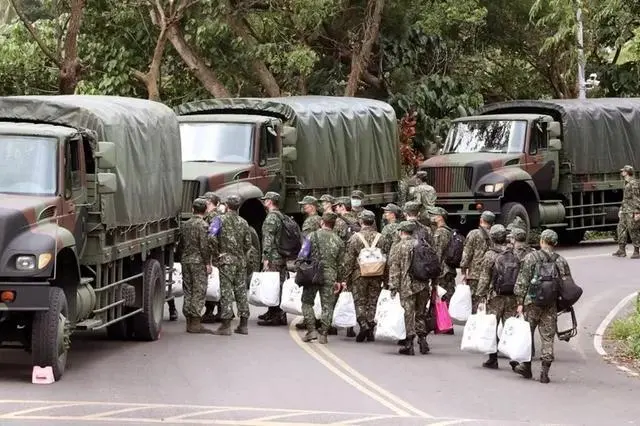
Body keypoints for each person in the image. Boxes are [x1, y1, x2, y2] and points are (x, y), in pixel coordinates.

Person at [514, 229, 572, 383]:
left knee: (527, 335)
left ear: (541, 241)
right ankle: (545, 372)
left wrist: (519, 302)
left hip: (531, 302)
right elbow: (567, 285)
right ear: (555, 243)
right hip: (550, 304)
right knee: (547, 337)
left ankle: (526, 366)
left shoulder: (531, 257)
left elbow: (522, 281)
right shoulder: (561, 261)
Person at [207, 196, 252, 336]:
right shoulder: (243, 222)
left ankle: (226, 325)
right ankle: (243, 324)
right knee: (241, 291)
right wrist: (240, 253)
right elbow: (248, 243)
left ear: (226, 205)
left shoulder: (219, 219)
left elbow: (211, 237)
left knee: (226, 291)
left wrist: (216, 253)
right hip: (240, 261)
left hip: (226, 260)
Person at [298, 211, 345, 344]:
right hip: (330, 275)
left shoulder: (312, 236)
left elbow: (303, 254)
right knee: (327, 306)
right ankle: (323, 334)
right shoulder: (339, 241)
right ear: (334, 225)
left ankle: (311, 330)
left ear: (322, 222)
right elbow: (341, 264)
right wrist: (339, 281)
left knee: (307, 303)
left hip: (312, 274)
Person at [476, 224, 518, 369]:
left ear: (492, 237)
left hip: (495, 296)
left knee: (492, 326)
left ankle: (492, 359)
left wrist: (480, 294)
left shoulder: (490, 255)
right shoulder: (513, 253)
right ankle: (514, 359)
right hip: (512, 295)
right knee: (510, 327)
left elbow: (484, 277)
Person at [388, 221, 431, 355]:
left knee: (408, 313)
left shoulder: (399, 247)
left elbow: (395, 268)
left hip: (407, 286)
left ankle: (409, 343)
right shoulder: (424, 244)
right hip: (423, 284)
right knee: (420, 313)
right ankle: (423, 339)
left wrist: (393, 286)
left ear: (401, 232)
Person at [343, 210, 383, 342]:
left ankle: (363, 324)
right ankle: (370, 327)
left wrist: (346, 279)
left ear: (361, 221)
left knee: (359, 301)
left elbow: (349, 260)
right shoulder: (381, 238)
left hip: (359, 274)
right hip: (377, 273)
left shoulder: (355, 238)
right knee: (373, 301)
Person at [180, 199, 214, 334]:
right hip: (198, 262)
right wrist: (208, 263)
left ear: (193, 209)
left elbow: (181, 244)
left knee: (188, 290)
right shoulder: (204, 226)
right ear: (205, 210)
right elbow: (204, 247)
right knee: (199, 290)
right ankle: (195, 322)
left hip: (186, 260)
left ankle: (188, 320)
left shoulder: (185, 225)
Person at [257, 191, 289, 326]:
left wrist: (265, 258)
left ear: (270, 201)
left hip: (274, 257)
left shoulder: (271, 218)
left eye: (266, 200)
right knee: (279, 284)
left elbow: (268, 240)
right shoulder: (282, 216)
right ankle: (273, 312)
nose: (264, 202)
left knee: (274, 286)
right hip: (281, 255)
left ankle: (277, 315)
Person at [460, 211, 495, 313]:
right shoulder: (495, 234)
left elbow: (467, 254)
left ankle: (474, 322)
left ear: (481, 220)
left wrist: (463, 272)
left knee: (474, 301)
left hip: (475, 274)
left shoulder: (474, 234)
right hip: (490, 273)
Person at [201, 192, 225, 324]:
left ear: (209, 203)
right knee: (218, 282)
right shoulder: (219, 216)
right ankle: (220, 311)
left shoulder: (212, 216)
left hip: (213, 256)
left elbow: (211, 237)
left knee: (212, 282)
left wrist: (212, 254)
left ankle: (211, 311)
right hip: (218, 254)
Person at [430, 206, 456, 304]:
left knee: (441, 298)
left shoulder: (440, 232)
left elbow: (438, 253)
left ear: (440, 217)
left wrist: (433, 271)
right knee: (448, 294)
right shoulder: (448, 231)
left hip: (442, 271)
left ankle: (442, 318)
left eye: (433, 215)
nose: (431, 217)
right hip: (449, 269)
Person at [613, 165, 640, 258]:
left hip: (632, 210)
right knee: (620, 228)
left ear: (627, 172)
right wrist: (621, 209)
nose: (622, 172)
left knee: (633, 230)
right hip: (625, 210)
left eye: (623, 171)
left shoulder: (633, 183)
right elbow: (625, 199)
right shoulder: (626, 183)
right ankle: (621, 250)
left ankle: (636, 251)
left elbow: (637, 198)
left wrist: (637, 212)